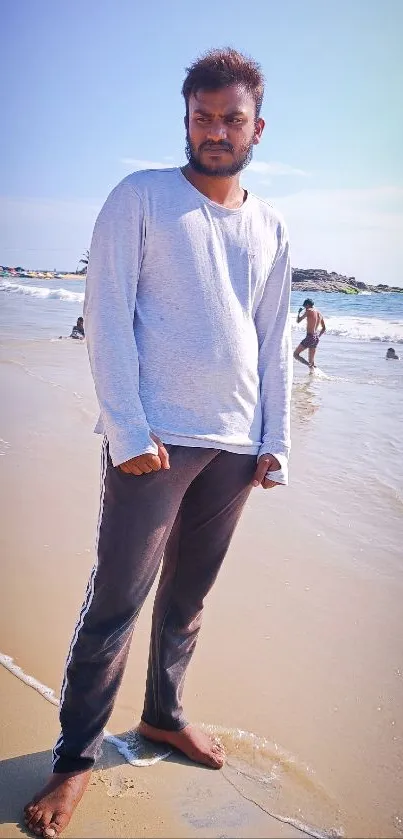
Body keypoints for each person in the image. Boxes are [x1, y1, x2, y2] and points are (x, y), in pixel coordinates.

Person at [24, 48, 292, 839]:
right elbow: (105, 316)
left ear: (256, 127)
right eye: (202, 118)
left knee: (189, 599)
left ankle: (164, 714)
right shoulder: (138, 198)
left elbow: (272, 339)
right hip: (155, 441)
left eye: (230, 119)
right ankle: (74, 760)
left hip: (238, 445)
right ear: (185, 121)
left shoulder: (271, 223)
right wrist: (127, 429)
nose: (215, 131)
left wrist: (276, 440)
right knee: (116, 603)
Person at [293, 298, 325, 368]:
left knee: (295, 354)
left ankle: (310, 365)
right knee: (311, 361)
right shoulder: (319, 313)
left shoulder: (309, 310)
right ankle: (312, 373)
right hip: (316, 338)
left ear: (307, 305)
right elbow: (324, 328)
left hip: (310, 337)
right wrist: (318, 337)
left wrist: (299, 313)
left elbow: (298, 321)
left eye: (304, 306)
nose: (304, 308)